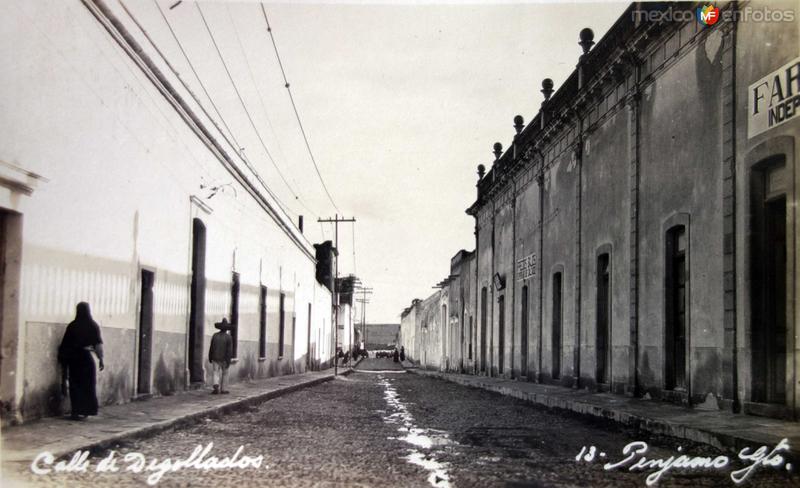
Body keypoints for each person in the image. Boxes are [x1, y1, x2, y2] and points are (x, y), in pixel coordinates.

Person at [58, 302, 104, 420]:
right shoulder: (93, 325)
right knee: (87, 385)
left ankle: (76, 411)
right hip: (86, 359)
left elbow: (65, 344)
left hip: (74, 359)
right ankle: (86, 410)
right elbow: (98, 345)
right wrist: (101, 359)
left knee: (75, 385)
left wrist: (65, 359)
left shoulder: (72, 326)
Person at [209, 318, 233, 394]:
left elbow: (211, 347)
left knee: (215, 372)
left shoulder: (215, 335)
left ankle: (216, 384)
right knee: (225, 373)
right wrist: (228, 360)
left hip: (215, 357)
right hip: (224, 359)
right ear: (226, 329)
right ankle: (223, 389)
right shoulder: (228, 337)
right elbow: (229, 350)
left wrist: (210, 356)